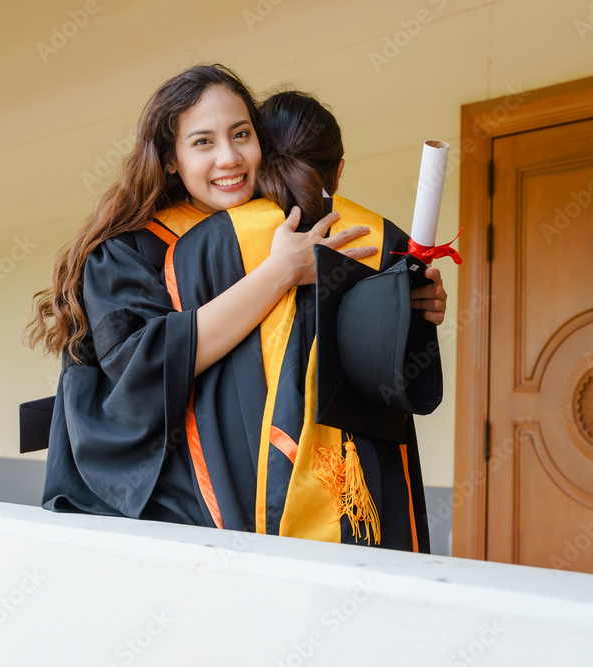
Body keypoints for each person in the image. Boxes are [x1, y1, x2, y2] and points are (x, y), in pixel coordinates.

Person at [28, 66, 445, 547]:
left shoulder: (287, 232)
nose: (229, 157)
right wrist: (278, 274)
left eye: (241, 134)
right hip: (162, 512)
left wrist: (405, 308)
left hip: (276, 510)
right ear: (169, 158)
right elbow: (140, 369)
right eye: (203, 142)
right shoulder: (130, 251)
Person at [165, 91, 444, 552]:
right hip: (367, 484)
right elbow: (408, 378)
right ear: (338, 169)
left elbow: (175, 365)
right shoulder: (388, 239)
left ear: (260, 157)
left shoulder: (201, 246)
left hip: (244, 484)